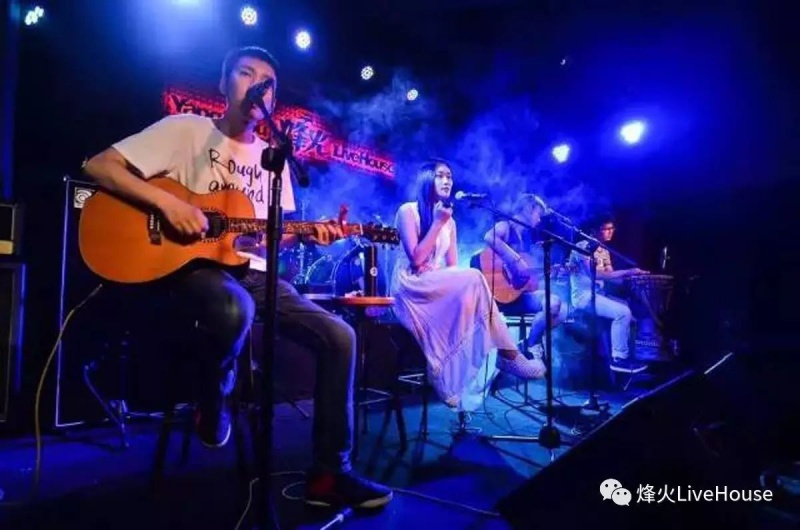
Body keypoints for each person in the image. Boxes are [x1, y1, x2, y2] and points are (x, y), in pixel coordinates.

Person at [83, 45, 392, 509]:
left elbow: (267, 242)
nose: (257, 85)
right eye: (247, 73)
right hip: (188, 271)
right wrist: (168, 203)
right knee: (235, 307)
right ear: (224, 83)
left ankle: (330, 473)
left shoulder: (274, 160)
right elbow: (98, 165)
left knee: (340, 336)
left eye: (268, 82)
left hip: (251, 274)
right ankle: (215, 394)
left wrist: (314, 236)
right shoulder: (186, 129)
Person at [389, 160, 546, 412]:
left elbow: (452, 267)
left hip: (434, 283)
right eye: (440, 176)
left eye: (449, 176)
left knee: (475, 289)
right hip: (410, 285)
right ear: (427, 179)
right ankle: (509, 356)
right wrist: (438, 222)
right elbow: (416, 259)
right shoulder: (408, 211)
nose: (447, 181)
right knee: (474, 277)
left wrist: (460, 288)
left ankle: (464, 370)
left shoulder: (450, 222)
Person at [481, 194, 569, 357]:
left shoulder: (526, 239)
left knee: (563, 310)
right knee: (554, 303)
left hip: (517, 295)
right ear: (528, 209)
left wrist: (547, 274)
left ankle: (528, 343)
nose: (539, 219)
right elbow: (489, 237)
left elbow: (525, 279)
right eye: (537, 214)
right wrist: (515, 259)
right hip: (499, 297)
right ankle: (532, 347)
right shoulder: (505, 226)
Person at [568, 213, 648, 372]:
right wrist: (627, 272)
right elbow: (596, 275)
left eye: (612, 228)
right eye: (606, 229)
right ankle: (618, 359)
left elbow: (611, 276)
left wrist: (633, 279)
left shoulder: (604, 250)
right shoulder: (582, 247)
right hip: (584, 296)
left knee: (632, 313)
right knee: (623, 312)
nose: (610, 232)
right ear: (594, 231)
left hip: (600, 295)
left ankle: (628, 356)